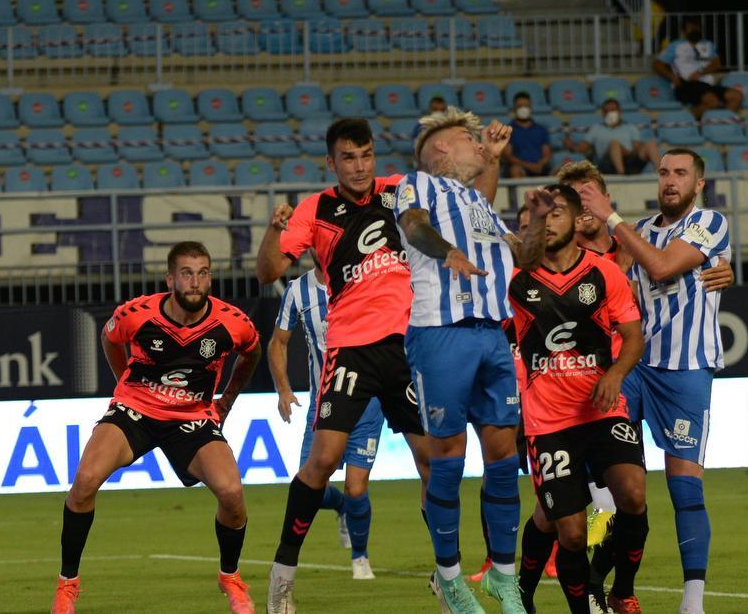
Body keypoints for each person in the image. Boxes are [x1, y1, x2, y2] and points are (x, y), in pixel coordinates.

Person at [258, 118, 430, 614]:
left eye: (367, 155)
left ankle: (448, 575)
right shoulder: (316, 209)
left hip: (406, 348)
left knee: (435, 462)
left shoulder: (400, 191)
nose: (359, 166)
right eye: (348, 158)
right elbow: (269, 270)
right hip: (350, 348)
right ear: (331, 163)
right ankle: (282, 575)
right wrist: (275, 231)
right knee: (322, 462)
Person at [396, 105, 553, 614]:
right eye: (468, 138)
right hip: (441, 334)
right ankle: (449, 578)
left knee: (504, 456)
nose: (477, 143)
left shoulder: (478, 204)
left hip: (492, 335)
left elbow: (525, 257)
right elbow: (415, 225)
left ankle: (504, 580)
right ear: (442, 149)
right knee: (447, 458)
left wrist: (538, 223)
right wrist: (448, 255)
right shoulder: (417, 184)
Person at [54, 241, 261, 614]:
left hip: (191, 418)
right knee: (84, 481)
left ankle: (230, 577)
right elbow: (109, 338)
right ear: (170, 279)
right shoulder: (137, 314)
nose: (195, 282)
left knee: (231, 492)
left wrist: (226, 401)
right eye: (186, 273)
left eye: (203, 273)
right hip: (136, 410)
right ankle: (67, 585)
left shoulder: (232, 322)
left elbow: (252, 351)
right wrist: (123, 385)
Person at [578, 149, 732, 614]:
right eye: (664, 172)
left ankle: (692, 602)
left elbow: (664, 267)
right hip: (636, 369)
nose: (670, 180)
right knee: (613, 484)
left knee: (685, 488)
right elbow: (606, 283)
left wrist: (610, 218)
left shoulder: (710, 222)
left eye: (680, 173)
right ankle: (601, 587)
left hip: (686, 371)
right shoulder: (639, 232)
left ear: (698, 183)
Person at [510, 183, 650, 614]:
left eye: (556, 214)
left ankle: (619, 590)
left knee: (633, 494)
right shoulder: (518, 276)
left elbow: (631, 336)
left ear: (575, 219)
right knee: (567, 531)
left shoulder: (605, 274)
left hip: (602, 410)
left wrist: (616, 372)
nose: (548, 222)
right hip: (549, 422)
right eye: (540, 216)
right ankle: (526, 592)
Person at [268, 266, 384, 579]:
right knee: (310, 487)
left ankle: (360, 557)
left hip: (367, 402)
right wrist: (283, 389)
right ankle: (341, 507)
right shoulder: (298, 290)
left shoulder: (367, 278)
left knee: (356, 488)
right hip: (324, 405)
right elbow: (278, 342)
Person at [654, 17, 743, 119]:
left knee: (736, 96)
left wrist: (700, 73)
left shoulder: (708, 44)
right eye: (690, 28)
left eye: (696, 27)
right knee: (712, 101)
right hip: (686, 85)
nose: (694, 29)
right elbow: (657, 63)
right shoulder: (676, 45)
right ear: (684, 31)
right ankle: (688, 122)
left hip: (707, 85)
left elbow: (716, 63)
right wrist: (672, 77)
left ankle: (722, 124)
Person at [563, 100, 661, 176]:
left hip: (629, 161)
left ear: (619, 112)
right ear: (603, 113)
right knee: (614, 144)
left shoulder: (630, 127)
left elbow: (637, 147)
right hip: (607, 165)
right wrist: (571, 146)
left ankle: (662, 174)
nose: (610, 113)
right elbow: (583, 148)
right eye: (607, 111)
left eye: (613, 110)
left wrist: (625, 152)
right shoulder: (596, 129)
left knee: (650, 144)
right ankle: (621, 177)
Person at [502, 92, 552, 178]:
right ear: (514, 108)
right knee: (515, 170)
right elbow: (508, 155)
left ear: (530, 107)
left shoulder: (541, 129)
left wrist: (539, 165)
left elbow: (547, 153)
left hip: (540, 168)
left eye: (526, 106)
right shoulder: (508, 130)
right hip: (521, 168)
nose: (523, 109)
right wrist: (528, 165)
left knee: (562, 170)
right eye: (520, 106)